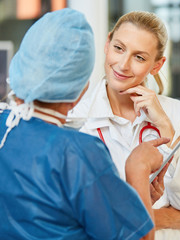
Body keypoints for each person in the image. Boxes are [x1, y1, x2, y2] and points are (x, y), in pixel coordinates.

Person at [0, 8, 169, 239]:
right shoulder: (79, 153)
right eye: (119, 48)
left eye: (139, 56)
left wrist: (130, 204)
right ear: (81, 89)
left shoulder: (5, 129)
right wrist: (137, 169)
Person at [70, 11, 180, 239]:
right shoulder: (77, 119)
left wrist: (165, 125)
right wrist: (163, 218)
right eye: (119, 48)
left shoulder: (176, 113)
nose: (123, 65)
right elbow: (81, 214)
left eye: (139, 57)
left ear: (157, 65)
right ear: (107, 44)